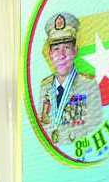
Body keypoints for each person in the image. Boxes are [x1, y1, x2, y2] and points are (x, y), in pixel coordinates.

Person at [37, 12, 102, 146]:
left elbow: (95, 128)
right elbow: (42, 127)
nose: (61, 55)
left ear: (75, 51)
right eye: (56, 49)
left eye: (66, 48)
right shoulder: (45, 87)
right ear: (50, 54)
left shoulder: (88, 85)